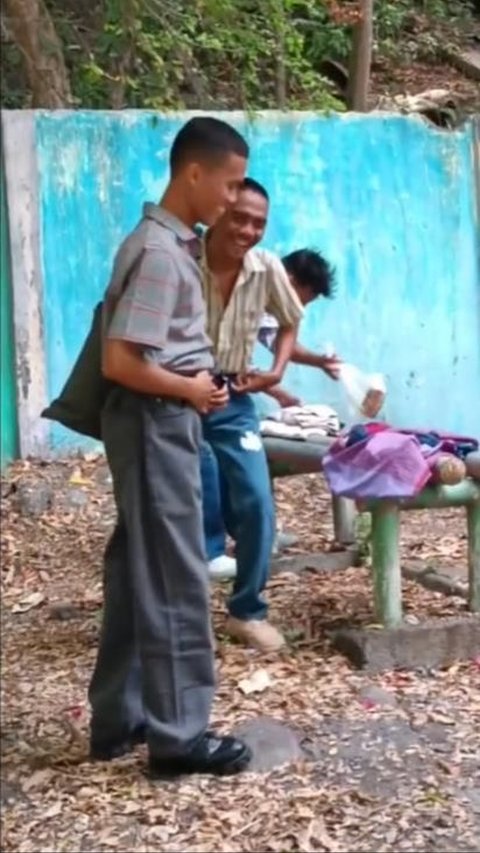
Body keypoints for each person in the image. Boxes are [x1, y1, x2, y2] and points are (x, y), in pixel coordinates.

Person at [89, 117, 253, 778]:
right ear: (194, 172)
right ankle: (179, 735)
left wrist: (193, 385)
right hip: (156, 421)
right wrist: (189, 389)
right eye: (231, 182)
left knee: (137, 572)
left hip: (154, 417)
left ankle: (118, 718)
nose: (234, 199)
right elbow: (121, 361)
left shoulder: (165, 242)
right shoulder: (160, 251)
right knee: (178, 573)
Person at [200, 178, 304, 653]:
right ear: (219, 212)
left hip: (233, 396)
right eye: (239, 217)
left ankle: (247, 611)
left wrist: (276, 371)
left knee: (257, 501)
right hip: (174, 396)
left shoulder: (265, 268)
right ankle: (179, 611)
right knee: (191, 492)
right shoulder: (183, 258)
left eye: (258, 223)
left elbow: (290, 318)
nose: (247, 230)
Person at [203, 246, 339, 582]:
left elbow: (282, 341)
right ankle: (211, 550)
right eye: (301, 300)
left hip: (228, 388)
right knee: (210, 468)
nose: (297, 311)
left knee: (241, 471)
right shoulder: (245, 285)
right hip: (204, 385)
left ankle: (252, 536)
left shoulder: (268, 302)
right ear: (288, 280)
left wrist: (319, 362)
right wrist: (275, 389)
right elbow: (227, 355)